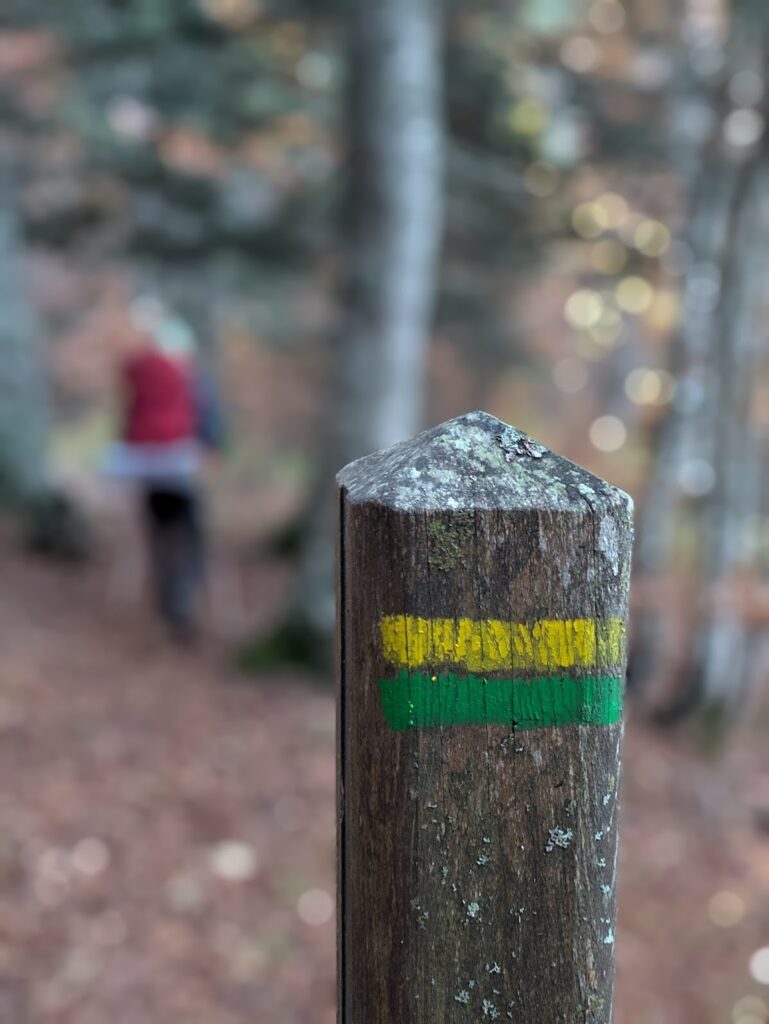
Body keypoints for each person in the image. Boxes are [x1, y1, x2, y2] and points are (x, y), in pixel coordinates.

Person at [107, 298, 224, 637]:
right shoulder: (191, 379)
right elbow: (212, 426)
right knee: (190, 532)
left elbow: (127, 421)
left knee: (159, 531)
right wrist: (211, 451)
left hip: (145, 467)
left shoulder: (140, 377)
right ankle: (180, 598)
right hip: (184, 468)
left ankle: (167, 598)